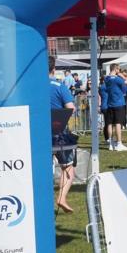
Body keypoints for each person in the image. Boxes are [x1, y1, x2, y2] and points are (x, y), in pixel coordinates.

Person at [49, 57, 77, 213]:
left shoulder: (33, 86)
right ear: (54, 69)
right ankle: (61, 197)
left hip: (37, 132)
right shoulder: (60, 86)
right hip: (58, 131)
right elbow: (70, 108)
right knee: (68, 167)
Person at [104, 64, 127, 151]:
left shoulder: (106, 78)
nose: (120, 71)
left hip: (110, 104)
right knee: (118, 123)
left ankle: (111, 144)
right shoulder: (118, 79)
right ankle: (119, 143)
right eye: (119, 69)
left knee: (110, 124)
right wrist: (122, 76)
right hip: (119, 104)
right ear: (116, 69)